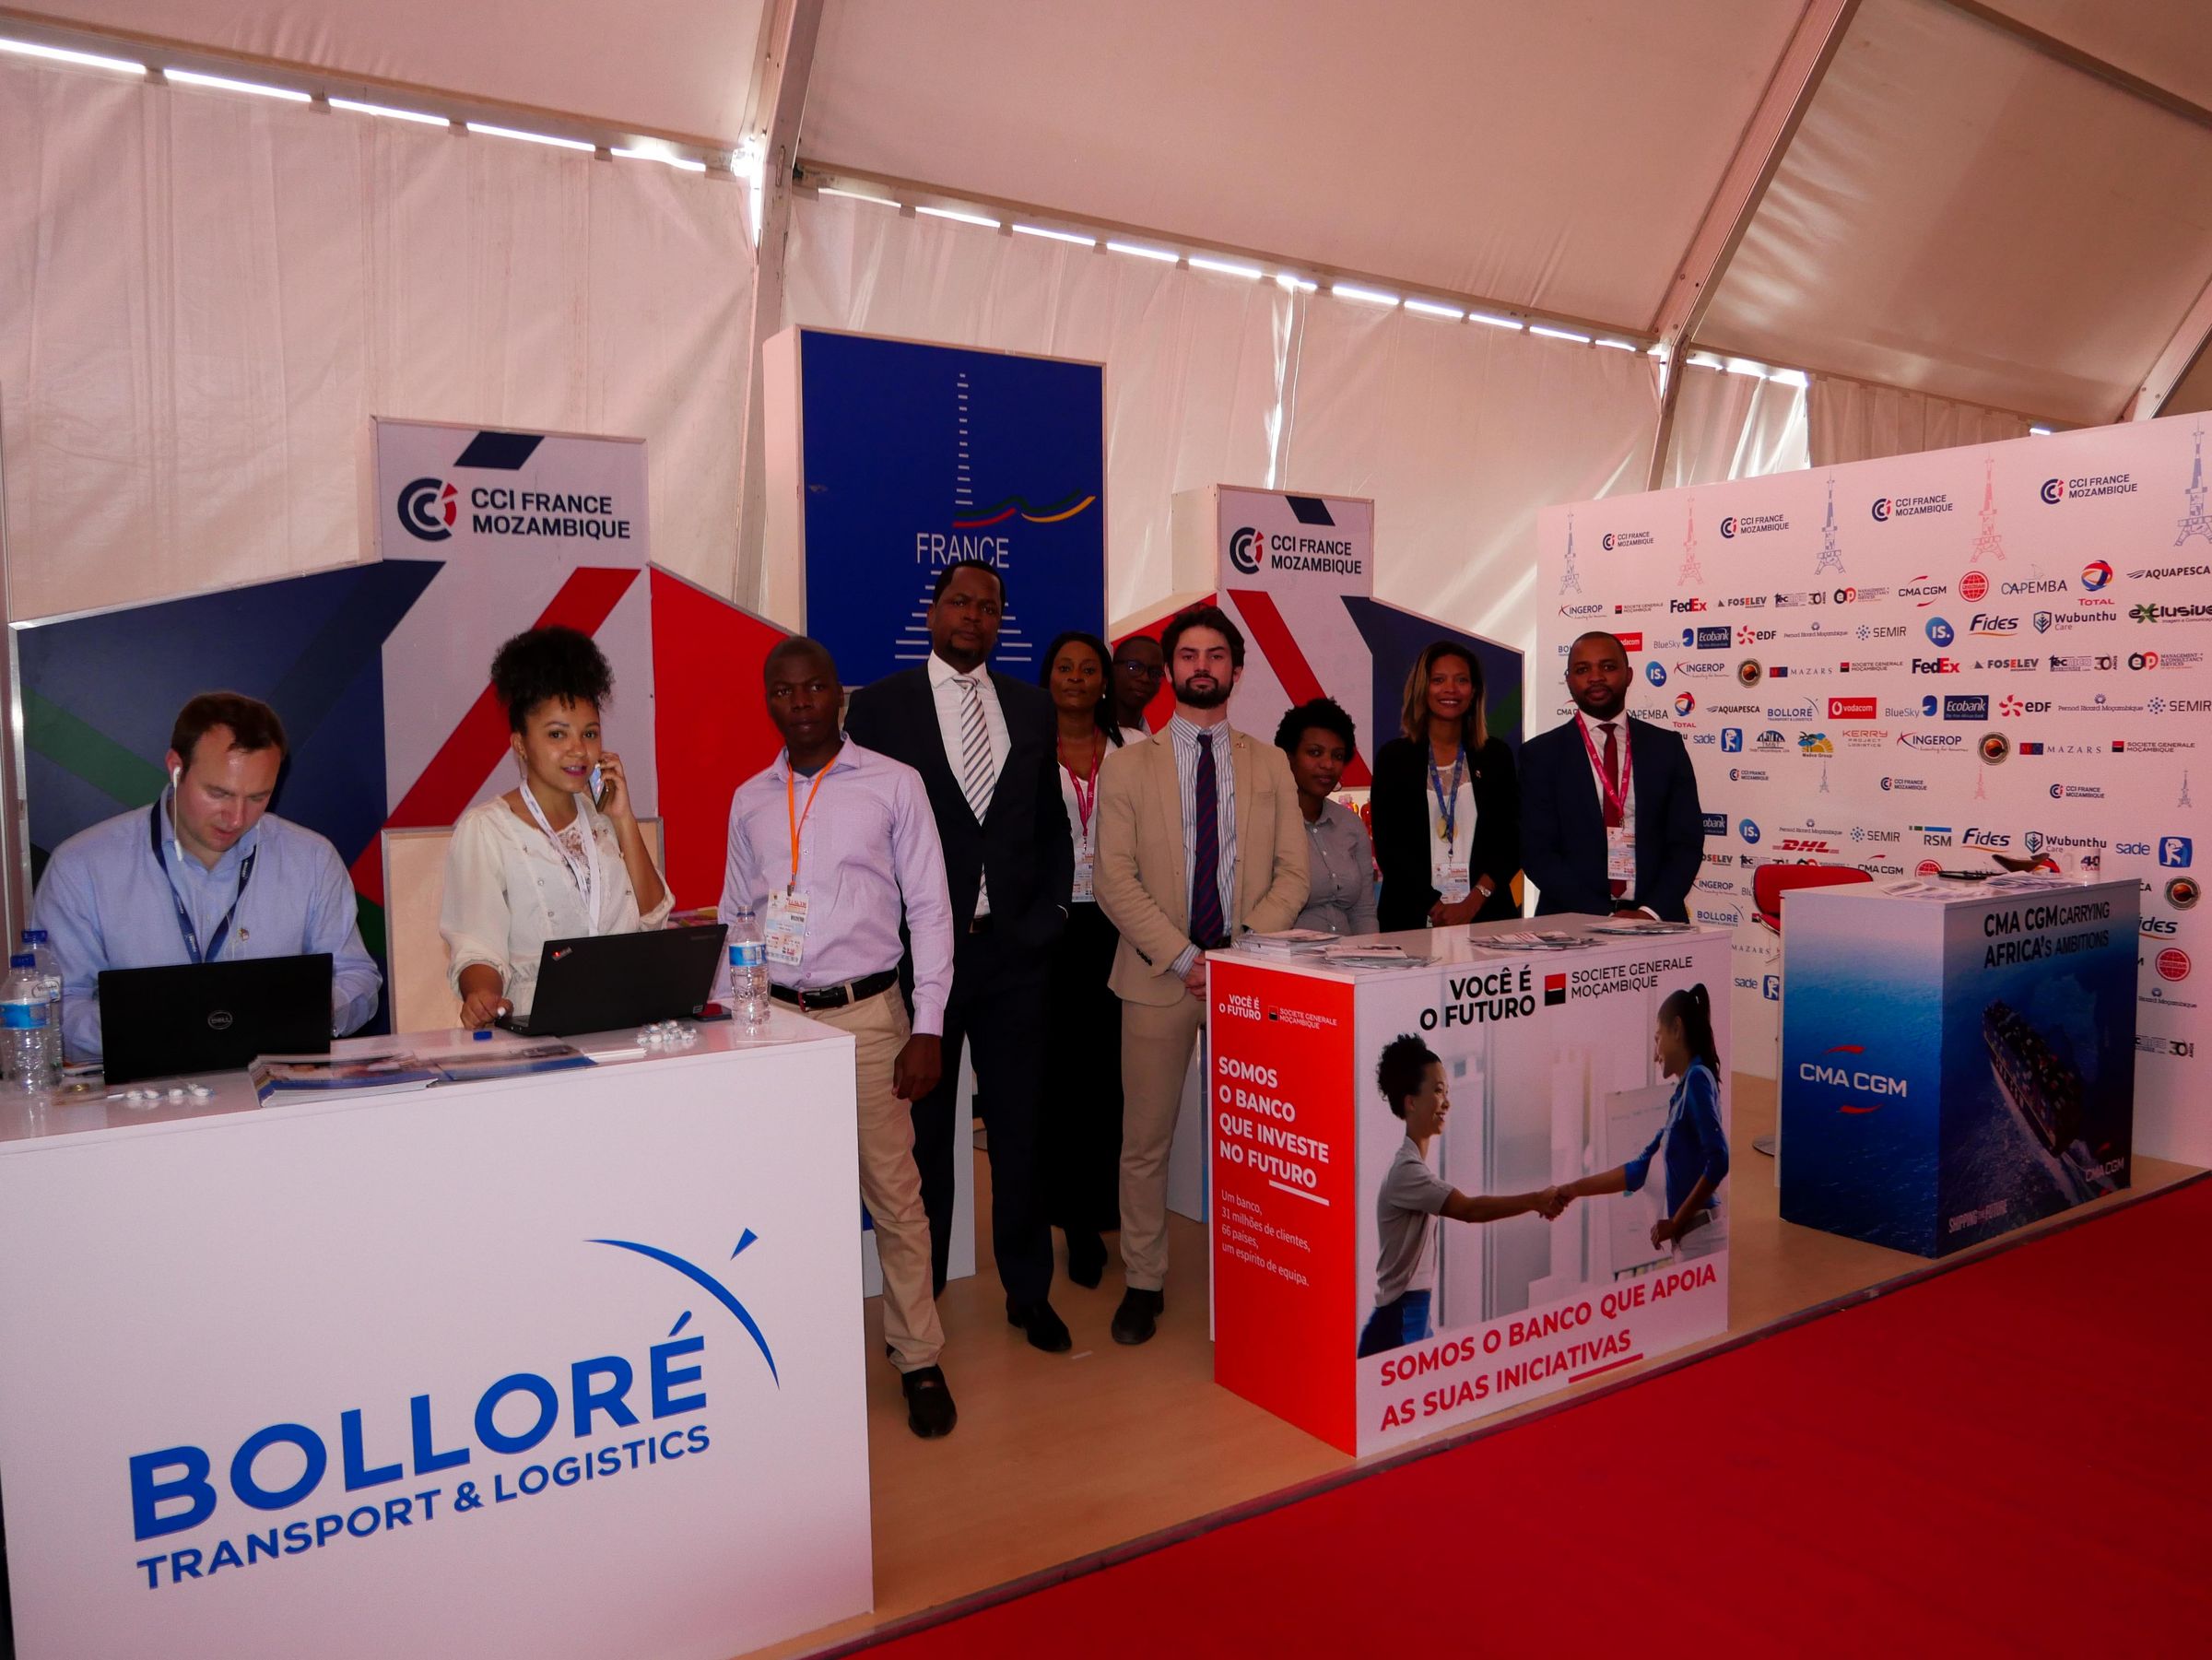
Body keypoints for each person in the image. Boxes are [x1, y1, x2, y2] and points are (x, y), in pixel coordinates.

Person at [720, 636, 959, 1438]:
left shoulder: (894, 784)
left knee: (894, 1194)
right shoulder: (749, 799)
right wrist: (734, 1022)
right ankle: (796, 1355)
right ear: (768, 700)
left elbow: (931, 910)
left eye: (814, 687)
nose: (800, 702)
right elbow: (736, 915)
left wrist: (928, 1024)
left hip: (867, 1018)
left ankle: (918, 1356)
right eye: (783, 691)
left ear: (840, 694)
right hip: (776, 1023)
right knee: (783, 1198)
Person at [844, 559, 1074, 1352]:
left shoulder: (1031, 705)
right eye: (960, 602)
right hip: (920, 962)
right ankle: (924, 1300)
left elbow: (1049, 825)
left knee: (1020, 1131)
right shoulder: (880, 706)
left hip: (1016, 955)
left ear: (1000, 621)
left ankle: (1028, 1292)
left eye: (988, 607)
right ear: (934, 611)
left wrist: (1050, 914)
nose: (973, 616)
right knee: (924, 1140)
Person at [1093, 604, 1310, 1345]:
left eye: (1216, 655)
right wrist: (1189, 958)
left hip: (1250, 979)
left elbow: (1293, 874)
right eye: (1188, 655)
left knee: (1259, 1139)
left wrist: (1233, 956)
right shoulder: (1128, 764)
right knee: (1145, 1141)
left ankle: (1261, 1271)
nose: (1202, 667)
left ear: (1236, 671)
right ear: (1170, 670)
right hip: (1157, 977)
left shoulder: (1270, 762)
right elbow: (1114, 879)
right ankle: (1144, 1280)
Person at [31, 691, 382, 1062]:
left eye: (258, 797)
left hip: (275, 1080)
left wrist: (310, 1013)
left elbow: (356, 975)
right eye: (219, 793)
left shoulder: (311, 859)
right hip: (140, 1084)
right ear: (175, 767)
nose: (236, 818)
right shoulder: (82, 866)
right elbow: (56, 1005)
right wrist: (146, 1029)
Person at [441, 627, 671, 1028]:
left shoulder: (604, 818)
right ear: (520, 745)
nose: (578, 750)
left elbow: (654, 920)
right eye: (557, 734)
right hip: (539, 1026)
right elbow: (477, 946)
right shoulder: (487, 830)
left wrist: (624, 819)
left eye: (589, 734)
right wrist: (481, 996)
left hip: (626, 1018)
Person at [1359, 1034, 1566, 1357]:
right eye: (1438, 1091)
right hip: (1397, 1322)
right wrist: (1535, 1200)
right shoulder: (1406, 1172)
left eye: (1447, 1092)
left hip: (1412, 1316)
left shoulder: (1413, 1168)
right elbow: (1469, 1209)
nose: (1447, 1102)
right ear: (1411, 1102)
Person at [1038, 630, 1135, 1289]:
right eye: (1065, 667)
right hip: (1053, 930)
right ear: (1049, 678)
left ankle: (1106, 1211)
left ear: (1104, 682)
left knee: (1111, 1078)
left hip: (1120, 926)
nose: (1076, 677)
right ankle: (1071, 1221)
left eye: (1089, 668)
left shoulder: (1132, 751)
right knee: (1060, 1081)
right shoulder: (1024, 752)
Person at [1518, 630, 1703, 922]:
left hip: (1657, 920)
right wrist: (1603, 917)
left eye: (1608, 666)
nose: (1596, 677)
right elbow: (1537, 853)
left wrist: (1649, 912)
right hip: (1572, 922)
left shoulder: (1667, 747)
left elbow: (1686, 842)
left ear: (1628, 675)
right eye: (1582, 669)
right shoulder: (1540, 755)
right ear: (1569, 680)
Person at [1558, 984, 1730, 1259]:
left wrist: (1675, 1222)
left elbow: (1720, 1159)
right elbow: (1636, 1171)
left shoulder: (1697, 1078)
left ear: (1676, 1029)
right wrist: (1573, 1189)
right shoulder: (1680, 1097)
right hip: (1691, 1241)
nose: (1654, 1054)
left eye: (1657, 1038)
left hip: (1701, 1238)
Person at [1371, 642, 1521, 931]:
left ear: (1474, 691)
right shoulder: (1394, 758)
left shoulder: (1495, 755)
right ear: (1422, 689)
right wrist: (1435, 906)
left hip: (1486, 916)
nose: (1450, 689)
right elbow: (1391, 848)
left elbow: (1509, 840)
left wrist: (1473, 902)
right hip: (1412, 919)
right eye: (1438, 680)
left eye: (1461, 680)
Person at [1273, 698, 1378, 937]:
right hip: (1287, 956)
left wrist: (1371, 955)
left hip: (1350, 956)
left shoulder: (1350, 824)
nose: (1328, 764)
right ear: (1288, 757)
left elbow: (1364, 913)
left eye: (1338, 756)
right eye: (1315, 753)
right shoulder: (1267, 823)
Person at [1109, 632, 1165, 742]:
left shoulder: (1157, 742)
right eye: (1134, 667)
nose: (1145, 679)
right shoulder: (1088, 734)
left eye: (1155, 673)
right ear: (1113, 669)